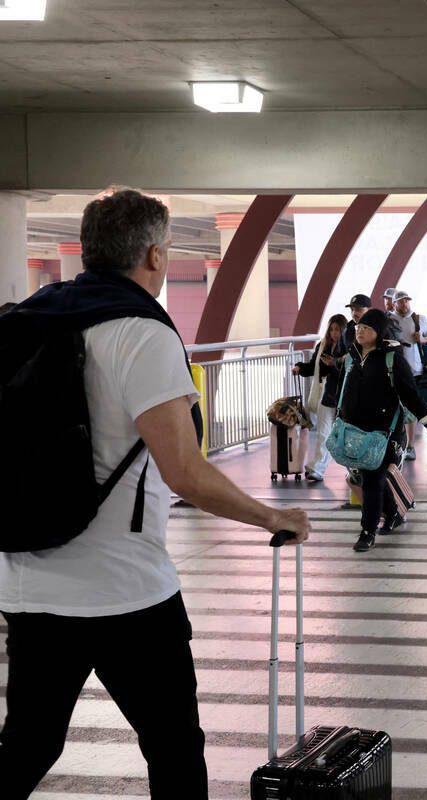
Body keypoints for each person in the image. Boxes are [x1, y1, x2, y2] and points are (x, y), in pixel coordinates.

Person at [0, 188, 313, 800]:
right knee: (173, 747)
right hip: (127, 593)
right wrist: (275, 515)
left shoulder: (29, 322)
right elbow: (185, 473)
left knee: (30, 744)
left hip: (27, 581)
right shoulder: (140, 333)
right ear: (153, 255)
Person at [338, 308, 427, 553]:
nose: (360, 331)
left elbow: (409, 393)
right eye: (359, 327)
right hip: (355, 429)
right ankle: (394, 512)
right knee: (371, 476)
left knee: (372, 479)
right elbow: (345, 389)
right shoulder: (352, 355)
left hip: (384, 431)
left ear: (379, 333)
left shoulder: (391, 358)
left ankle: (367, 531)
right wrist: (340, 418)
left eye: (367, 329)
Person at [292, 313, 348, 482]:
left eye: (337, 330)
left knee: (344, 436)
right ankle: (317, 468)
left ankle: (351, 470)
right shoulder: (322, 346)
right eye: (331, 329)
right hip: (325, 395)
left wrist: (334, 365)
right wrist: (299, 368)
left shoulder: (348, 349)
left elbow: (348, 373)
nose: (334, 333)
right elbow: (311, 367)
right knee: (324, 433)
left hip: (342, 397)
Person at [389, 290, 427, 460]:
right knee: (396, 408)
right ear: (394, 303)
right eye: (400, 301)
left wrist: (424, 340)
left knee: (411, 406)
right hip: (393, 370)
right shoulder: (389, 320)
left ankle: (410, 445)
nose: (404, 304)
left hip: (415, 370)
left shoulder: (419, 320)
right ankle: (398, 443)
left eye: (406, 301)